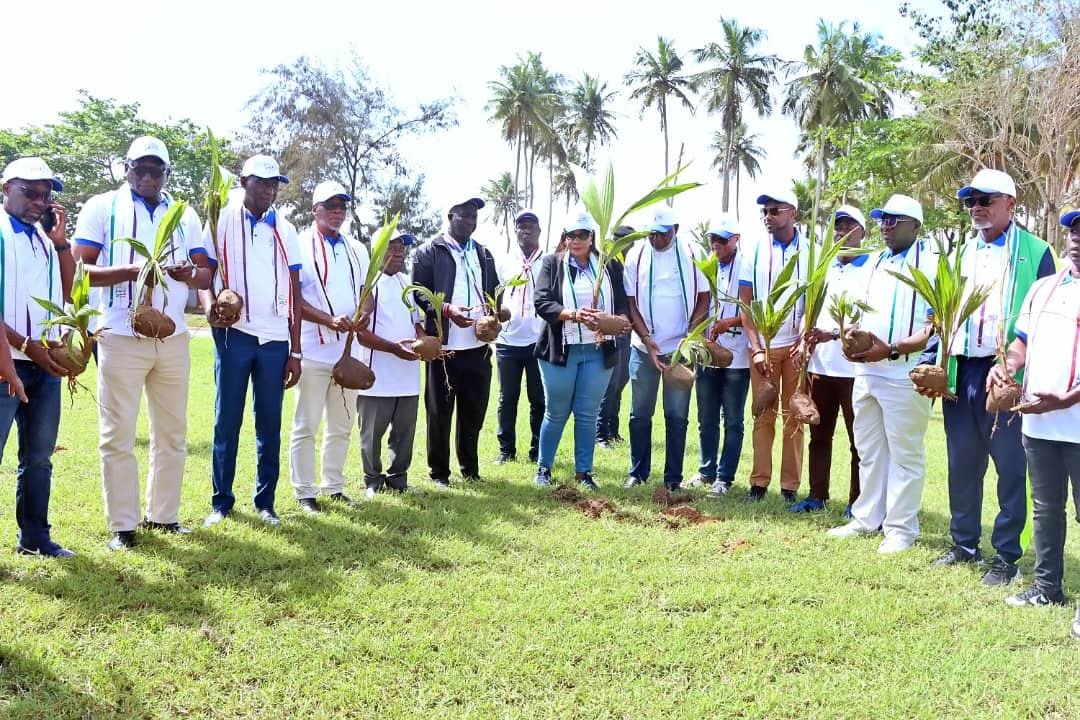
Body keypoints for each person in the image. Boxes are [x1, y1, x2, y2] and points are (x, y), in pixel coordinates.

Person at [74, 137, 213, 551]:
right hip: (119, 332)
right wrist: (133, 271)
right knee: (118, 432)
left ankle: (164, 516)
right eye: (141, 169)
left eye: (157, 171)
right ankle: (123, 524)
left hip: (171, 336)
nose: (149, 177)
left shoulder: (183, 214)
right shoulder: (103, 206)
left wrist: (189, 273)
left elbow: (206, 273)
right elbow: (79, 268)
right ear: (127, 169)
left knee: (172, 431)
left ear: (166, 174)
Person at [932, 169, 1056, 586]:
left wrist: (1015, 366)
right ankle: (964, 543)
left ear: (1011, 204)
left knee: (1009, 465)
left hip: (1006, 373)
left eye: (986, 200)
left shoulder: (1036, 252)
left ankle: (1006, 555)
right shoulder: (958, 255)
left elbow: (1044, 319)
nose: (977, 208)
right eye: (971, 201)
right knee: (962, 463)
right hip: (963, 368)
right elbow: (941, 313)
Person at [827, 194, 935, 554]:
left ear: (916, 226)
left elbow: (937, 325)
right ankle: (866, 517)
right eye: (883, 220)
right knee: (869, 448)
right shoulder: (873, 262)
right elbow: (860, 312)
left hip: (904, 373)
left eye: (895, 220)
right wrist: (850, 337)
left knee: (905, 453)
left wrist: (891, 349)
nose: (886, 226)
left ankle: (901, 528)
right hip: (867, 372)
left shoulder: (931, 264)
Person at [201, 155, 302, 527]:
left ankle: (265, 502)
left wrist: (296, 349)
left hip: (275, 340)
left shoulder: (285, 228)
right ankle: (221, 502)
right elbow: (204, 276)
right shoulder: (220, 220)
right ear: (243, 181)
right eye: (262, 182)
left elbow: (295, 293)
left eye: (275, 183)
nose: (270, 189)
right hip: (234, 336)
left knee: (269, 423)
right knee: (226, 420)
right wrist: (212, 307)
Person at [990, 209, 1080, 626]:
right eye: (1074, 231)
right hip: (1038, 420)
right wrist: (1006, 368)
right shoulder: (1044, 288)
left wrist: (1065, 400)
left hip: (1072, 418)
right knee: (1046, 508)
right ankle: (1048, 589)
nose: (1076, 239)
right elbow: (1021, 343)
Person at [0, 157, 69, 557]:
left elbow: (70, 287)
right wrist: (25, 348)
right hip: (6, 362)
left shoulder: (43, 240)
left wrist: (60, 242)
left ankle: (35, 538)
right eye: (30, 191)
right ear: (6, 189)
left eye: (45, 194)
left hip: (44, 365)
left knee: (39, 458)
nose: (39, 201)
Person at [533, 209, 631, 489]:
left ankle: (584, 472)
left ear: (592, 237)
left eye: (581, 235)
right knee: (557, 412)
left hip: (598, 351)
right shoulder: (553, 263)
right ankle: (544, 469)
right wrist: (573, 314)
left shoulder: (608, 265)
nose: (575, 240)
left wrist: (620, 320)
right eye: (570, 235)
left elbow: (623, 303)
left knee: (588, 413)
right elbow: (542, 302)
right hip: (561, 350)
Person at [288, 181, 369, 513]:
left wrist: (363, 314)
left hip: (348, 352)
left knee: (341, 424)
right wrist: (327, 319)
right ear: (314, 210)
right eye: (330, 205)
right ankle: (305, 492)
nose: (337, 211)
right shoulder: (299, 245)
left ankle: (333, 486)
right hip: (312, 348)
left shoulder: (357, 248)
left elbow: (368, 293)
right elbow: (294, 298)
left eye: (342, 206)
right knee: (306, 424)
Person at [410, 197, 499, 487]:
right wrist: (447, 310)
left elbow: (494, 292)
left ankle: (470, 469)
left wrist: (494, 313)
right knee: (439, 413)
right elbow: (418, 293)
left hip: (478, 347)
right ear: (450, 215)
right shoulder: (429, 250)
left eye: (474, 217)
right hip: (443, 348)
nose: (471, 222)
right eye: (465, 216)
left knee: (473, 411)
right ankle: (439, 474)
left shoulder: (483, 253)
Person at [623, 207, 709, 491]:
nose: (656, 239)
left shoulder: (693, 252)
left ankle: (673, 479)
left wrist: (688, 338)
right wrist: (646, 339)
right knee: (639, 413)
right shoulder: (636, 254)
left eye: (663, 234)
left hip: (680, 351)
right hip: (643, 348)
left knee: (676, 416)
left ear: (676, 229)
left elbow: (704, 297)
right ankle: (637, 473)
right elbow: (631, 302)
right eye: (651, 233)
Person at [791, 205, 867, 515]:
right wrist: (801, 341)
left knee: (858, 441)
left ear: (863, 233)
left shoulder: (872, 269)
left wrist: (833, 335)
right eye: (837, 227)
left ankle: (857, 502)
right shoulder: (823, 268)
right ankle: (816, 496)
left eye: (849, 226)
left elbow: (867, 320)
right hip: (820, 367)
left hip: (854, 370)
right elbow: (808, 312)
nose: (841, 233)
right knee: (818, 435)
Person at [739, 190, 810, 503]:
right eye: (764, 212)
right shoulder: (753, 250)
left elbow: (813, 300)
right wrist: (755, 347)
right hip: (764, 349)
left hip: (796, 350)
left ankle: (790, 487)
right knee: (763, 415)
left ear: (792, 213)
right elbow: (745, 303)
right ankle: (758, 482)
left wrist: (804, 337)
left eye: (775, 211)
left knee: (794, 417)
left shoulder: (811, 251)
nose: (768, 217)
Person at [357, 231, 425, 497]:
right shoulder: (367, 284)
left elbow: (415, 321)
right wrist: (394, 349)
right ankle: (373, 480)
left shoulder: (404, 282)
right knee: (371, 434)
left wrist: (424, 341)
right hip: (377, 375)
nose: (398, 252)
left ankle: (399, 479)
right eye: (391, 247)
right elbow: (362, 334)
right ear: (376, 252)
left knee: (404, 432)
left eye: (401, 247)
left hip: (407, 372)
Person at [691, 217, 750, 499]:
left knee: (734, 420)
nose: (716, 245)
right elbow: (700, 303)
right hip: (708, 353)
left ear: (736, 239)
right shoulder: (707, 265)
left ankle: (725, 478)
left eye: (722, 240)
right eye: (712, 239)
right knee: (706, 417)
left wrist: (731, 321)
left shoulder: (749, 265)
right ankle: (706, 471)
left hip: (738, 355)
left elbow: (757, 309)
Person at [493, 209, 545, 465]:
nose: (525, 230)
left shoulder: (548, 261)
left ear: (539, 230)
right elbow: (495, 297)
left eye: (530, 226)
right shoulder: (504, 261)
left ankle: (537, 451)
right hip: (508, 342)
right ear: (515, 231)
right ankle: (506, 451)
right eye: (520, 226)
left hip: (538, 341)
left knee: (538, 399)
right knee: (507, 398)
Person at [596, 224, 636, 448]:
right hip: (611, 329)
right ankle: (600, 433)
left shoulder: (626, 262)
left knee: (621, 381)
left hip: (626, 330)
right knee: (610, 383)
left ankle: (613, 429)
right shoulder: (607, 261)